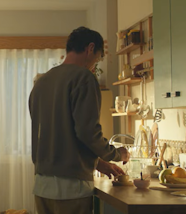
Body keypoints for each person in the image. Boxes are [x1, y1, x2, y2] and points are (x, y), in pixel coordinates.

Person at [29, 27, 130, 214]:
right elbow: (87, 132)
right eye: (98, 58)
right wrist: (116, 154)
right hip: (71, 190)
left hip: (42, 187)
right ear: (90, 48)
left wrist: (100, 164)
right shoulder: (84, 78)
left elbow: (60, 136)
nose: (94, 65)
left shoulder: (41, 82)